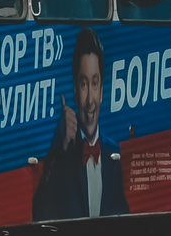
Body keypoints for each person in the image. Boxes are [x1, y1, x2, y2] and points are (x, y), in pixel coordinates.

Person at [32, 27, 130, 220]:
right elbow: (40, 213)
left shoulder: (113, 153)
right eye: (84, 84)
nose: (90, 101)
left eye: (94, 84)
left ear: (101, 92)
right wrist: (59, 147)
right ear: (76, 92)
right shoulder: (63, 149)